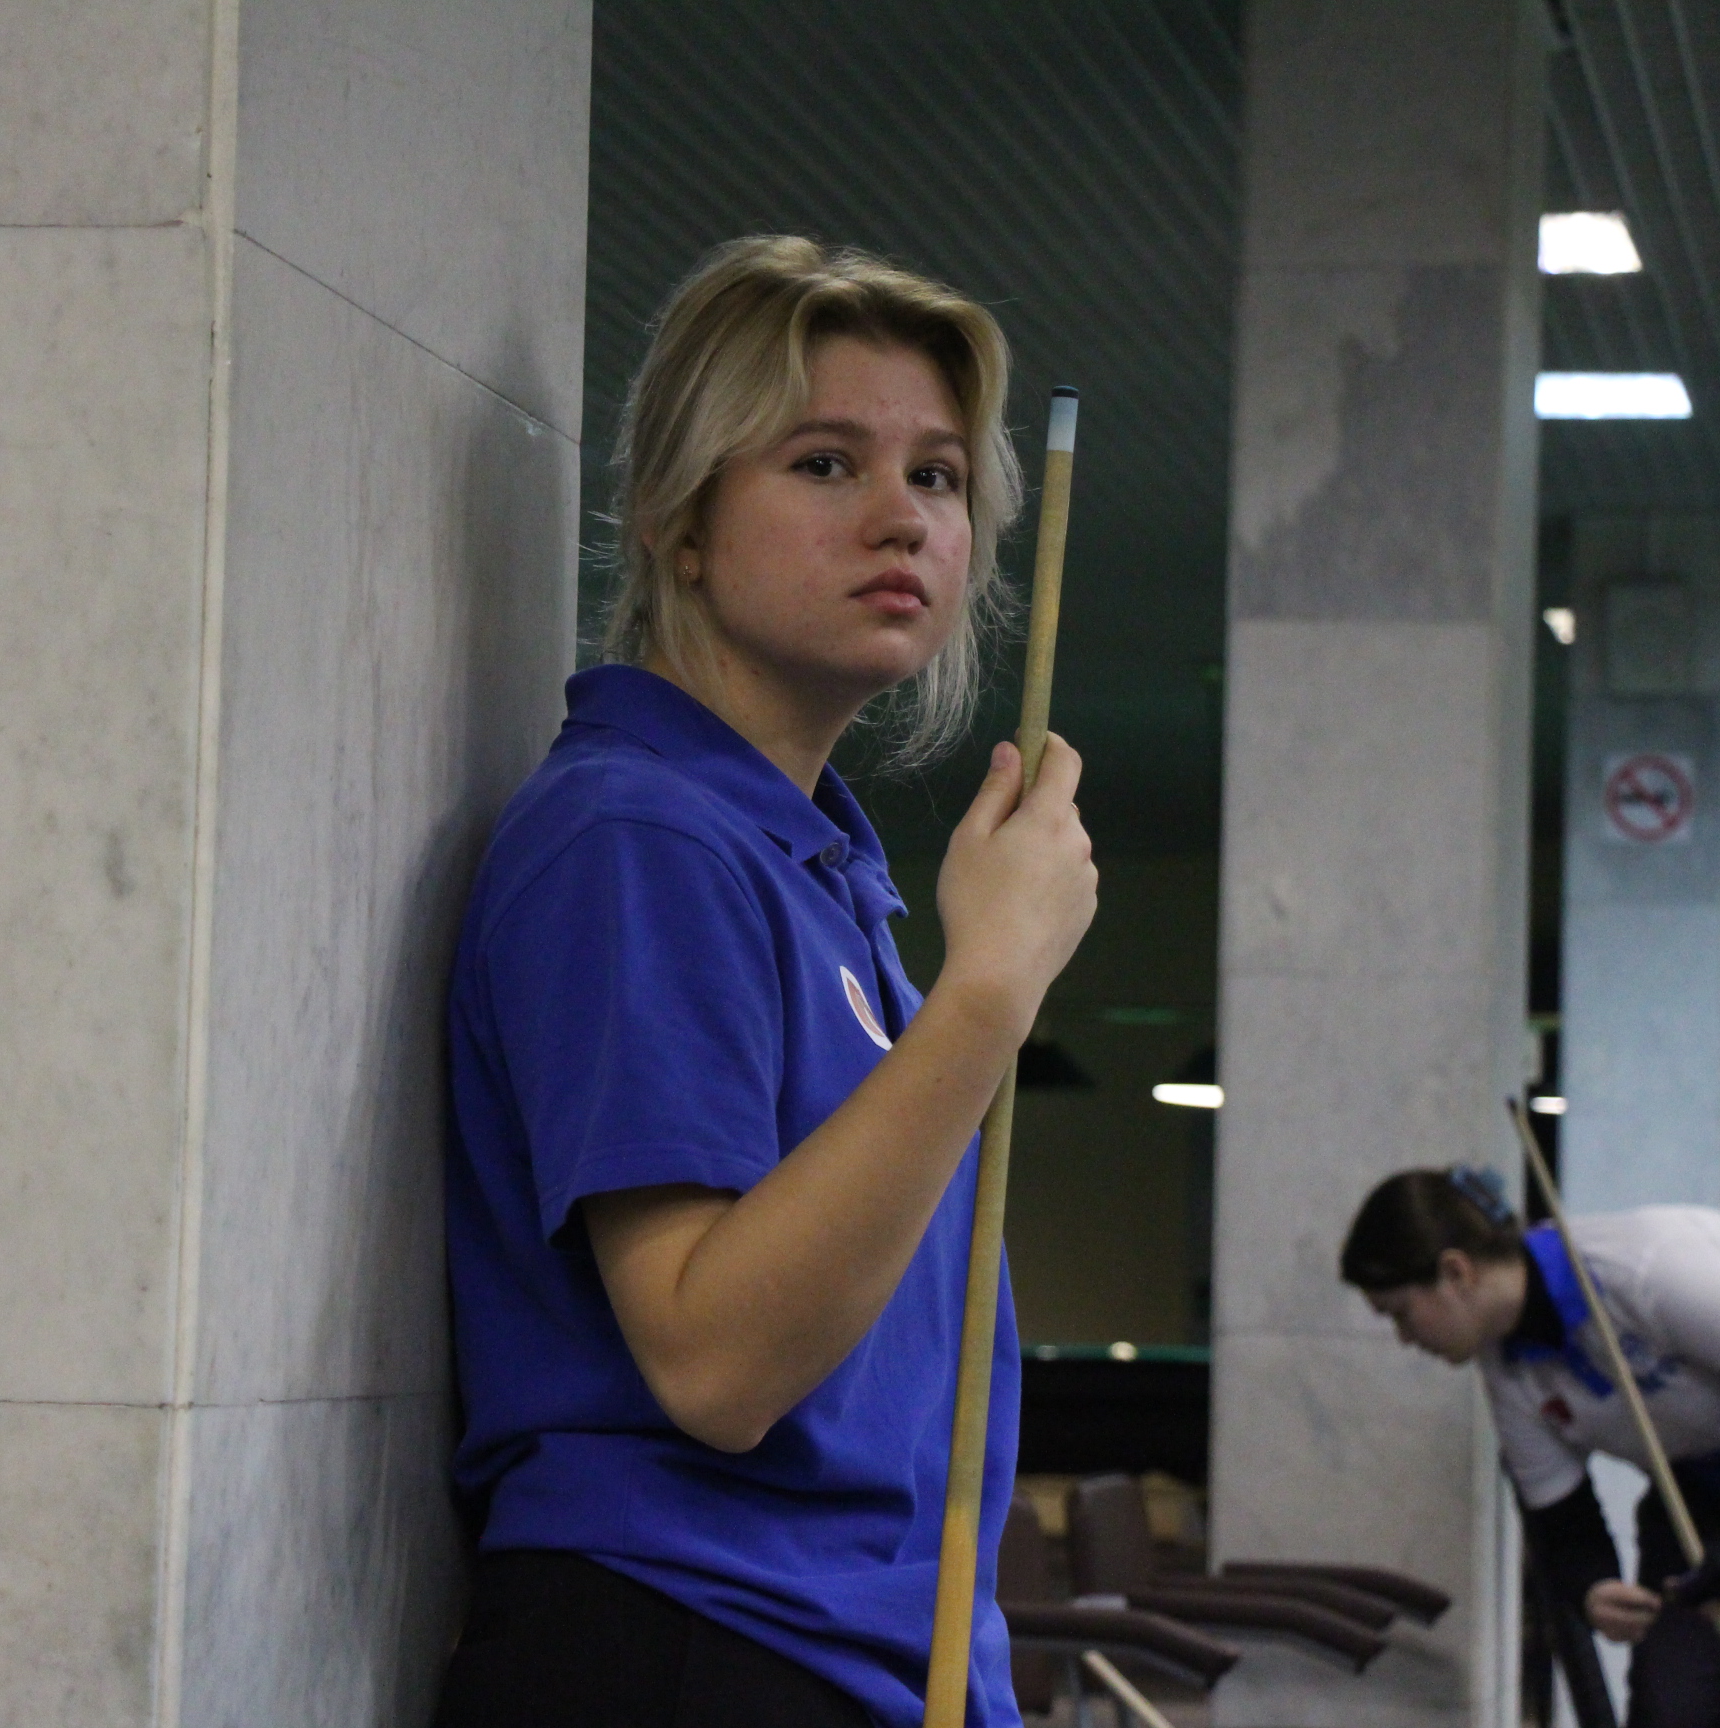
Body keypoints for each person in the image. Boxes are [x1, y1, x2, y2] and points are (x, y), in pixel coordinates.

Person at [437, 236, 1096, 1728]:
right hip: (687, 1647)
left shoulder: (811, 868)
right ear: (682, 523)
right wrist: (989, 995)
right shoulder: (636, 832)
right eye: (823, 463)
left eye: (938, 476)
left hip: (814, 1658)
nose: (901, 516)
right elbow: (717, 1360)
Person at [1340, 1168, 1720, 1728]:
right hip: (1712, 1480)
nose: (1403, 1338)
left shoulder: (1651, 1269)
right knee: (1673, 1706)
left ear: (1456, 1273)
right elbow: (1564, 1517)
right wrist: (1593, 1588)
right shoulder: (1504, 1367)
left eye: (1401, 1313)